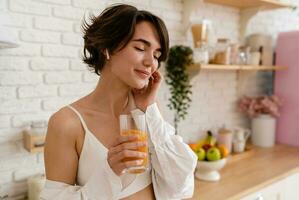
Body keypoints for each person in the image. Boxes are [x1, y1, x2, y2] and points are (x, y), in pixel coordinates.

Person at [40, 4, 197, 200]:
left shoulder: (145, 114)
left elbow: (182, 186)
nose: (151, 62)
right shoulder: (67, 123)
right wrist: (110, 172)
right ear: (107, 48)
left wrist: (150, 109)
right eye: (140, 48)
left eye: (157, 55)